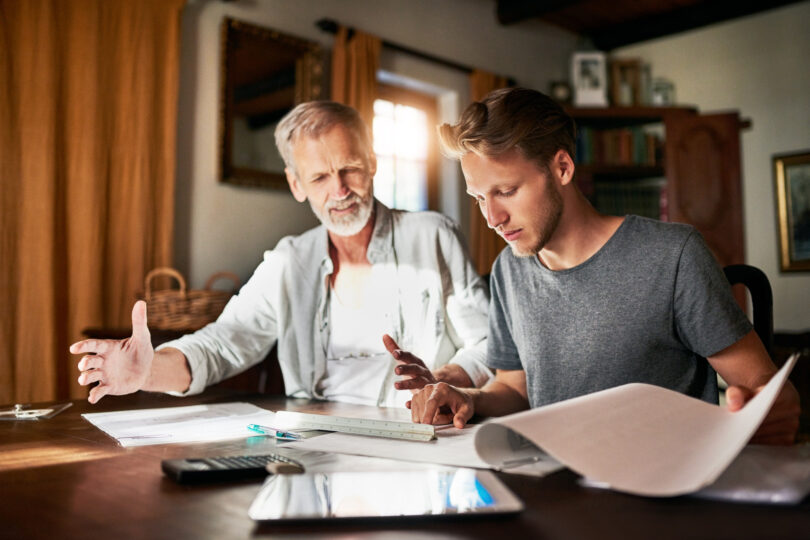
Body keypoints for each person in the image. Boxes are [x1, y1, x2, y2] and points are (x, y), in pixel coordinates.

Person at [407, 87, 800, 445]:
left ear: (562, 168)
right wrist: (469, 399)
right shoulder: (508, 271)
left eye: (506, 191)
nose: (492, 217)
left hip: (660, 494)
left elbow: (763, 387)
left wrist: (772, 407)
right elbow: (515, 388)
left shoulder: (673, 256)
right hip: (555, 489)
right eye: (479, 197)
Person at [71, 101, 492, 407]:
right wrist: (148, 372)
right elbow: (224, 345)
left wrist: (442, 381)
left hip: (415, 435)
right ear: (296, 184)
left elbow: (488, 344)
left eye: (349, 169)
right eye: (320, 177)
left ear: (372, 163)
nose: (340, 191)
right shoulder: (288, 261)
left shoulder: (433, 236)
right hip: (315, 443)